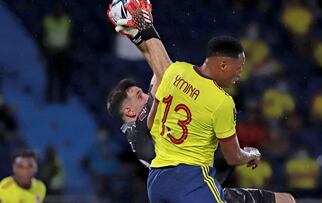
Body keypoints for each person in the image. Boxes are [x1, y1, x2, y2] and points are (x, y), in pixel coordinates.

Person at [107, 1, 295, 202]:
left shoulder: (178, 75)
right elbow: (161, 73)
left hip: (168, 183)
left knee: (286, 200)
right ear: (128, 111)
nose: (240, 74)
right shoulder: (140, 130)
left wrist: (139, 36)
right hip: (191, 180)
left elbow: (161, 72)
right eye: (238, 68)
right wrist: (144, 26)